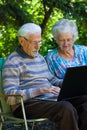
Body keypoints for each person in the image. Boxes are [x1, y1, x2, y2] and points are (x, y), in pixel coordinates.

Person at [2, 23, 79, 130]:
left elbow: (51, 80)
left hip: (49, 100)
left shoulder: (40, 58)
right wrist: (39, 90)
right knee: (65, 108)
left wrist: (73, 82)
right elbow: (10, 97)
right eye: (34, 42)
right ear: (21, 41)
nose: (37, 47)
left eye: (39, 42)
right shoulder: (12, 62)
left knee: (84, 102)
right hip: (26, 105)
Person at [46, 18, 87, 130]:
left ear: (74, 37)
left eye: (69, 39)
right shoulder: (51, 57)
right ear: (56, 39)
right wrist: (63, 83)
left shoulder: (84, 51)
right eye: (62, 40)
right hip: (65, 97)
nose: (66, 44)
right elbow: (49, 80)